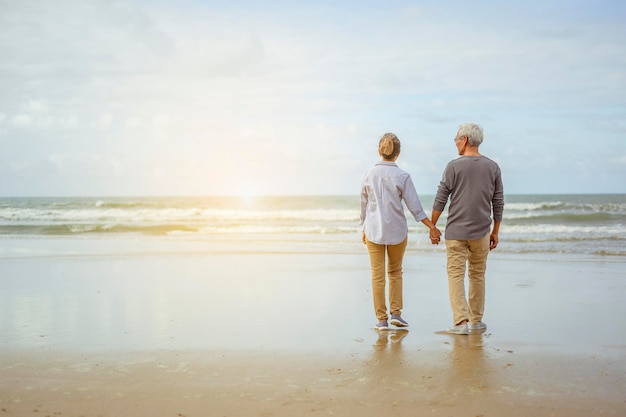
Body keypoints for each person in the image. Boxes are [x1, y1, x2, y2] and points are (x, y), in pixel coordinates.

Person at [360, 132, 441, 330]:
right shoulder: (402, 175)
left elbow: (363, 204)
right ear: (398, 153)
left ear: (379, 151)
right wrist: (431, 226)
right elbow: (415, 208)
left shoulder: (369, 174)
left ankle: (381, 319)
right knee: (395, 272)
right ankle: (396, 313)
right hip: (397, 231)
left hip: (373, 231)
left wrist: (363, 227)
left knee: (377, 276)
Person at [431, 123, 504, 335]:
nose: (455, 143)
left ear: (464, 140)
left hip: (455, 232)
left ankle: (461, 322)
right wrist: (495, 231)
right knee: (477, 275)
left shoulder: (453, 166)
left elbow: (441, 198)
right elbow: (498, 202)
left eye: (456, 139)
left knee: (455, 274)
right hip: (481, 232)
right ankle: (476, 321)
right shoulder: (493, 167)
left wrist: (433, 225)